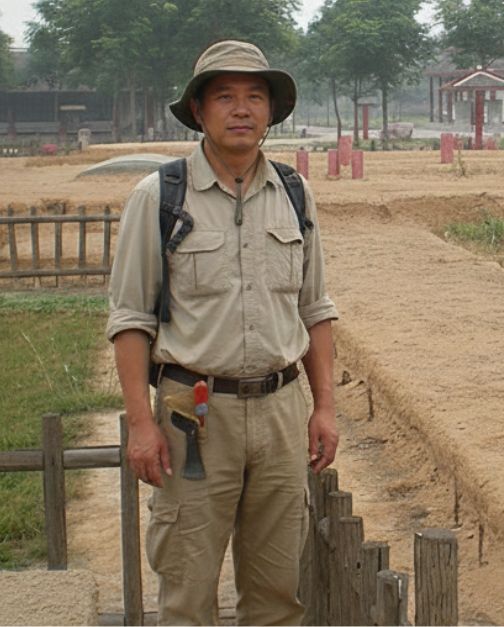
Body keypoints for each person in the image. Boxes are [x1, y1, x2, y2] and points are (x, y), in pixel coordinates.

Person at [107, 40, 338, 626]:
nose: (242, 109)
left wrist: (325, 409)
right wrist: (140, 423)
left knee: (277, 593)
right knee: (187, 592)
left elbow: (315, 309)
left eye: (254, 97)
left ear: (270, 112)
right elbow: (131, 318)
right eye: (226, 97)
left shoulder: (294, 193)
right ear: (199, 110)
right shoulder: (160, 197)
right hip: (193, 417)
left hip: (283, 411)